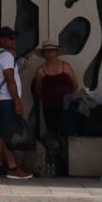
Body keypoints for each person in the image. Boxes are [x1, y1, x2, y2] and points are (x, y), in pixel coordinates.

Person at [0, 26, 33, 179]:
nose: (14, 41)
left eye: (14, 38)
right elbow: (10, 79)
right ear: (2, 40)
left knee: (2, 135)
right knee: (10, 135)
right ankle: (12, 168)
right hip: (8, 100)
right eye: (10, 38)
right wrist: (18, 102)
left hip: (1, 100)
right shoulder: (6, 56)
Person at [30, 43, 79, 176]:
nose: (50, 54)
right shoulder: (41, 71)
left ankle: (70, 164)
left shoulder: (65, 67)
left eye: (52, 51)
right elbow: (38, 90)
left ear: (57, 53)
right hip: (50, 107)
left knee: (67, 133)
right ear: (43, 54)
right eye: (47, 52)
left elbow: (75, 85)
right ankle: (56, 164)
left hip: (66, 107)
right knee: (53, 135)